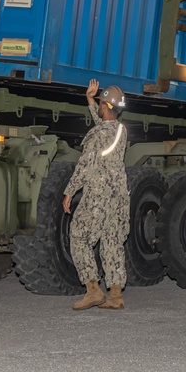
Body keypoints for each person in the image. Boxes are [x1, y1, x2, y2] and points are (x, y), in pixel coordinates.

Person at [63, 79, 130, 310]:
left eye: (101, 104)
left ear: (106, 107)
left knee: (79, 237)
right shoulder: (120, 130)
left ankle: (93, 290)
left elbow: (85, 164)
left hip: (98, 195)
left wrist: (70, 191)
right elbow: (102, 126)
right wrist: (91, 100)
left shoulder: (98, 134)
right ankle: (115, 296)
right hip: (118, 197)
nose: (99, 107)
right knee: (112, 242)